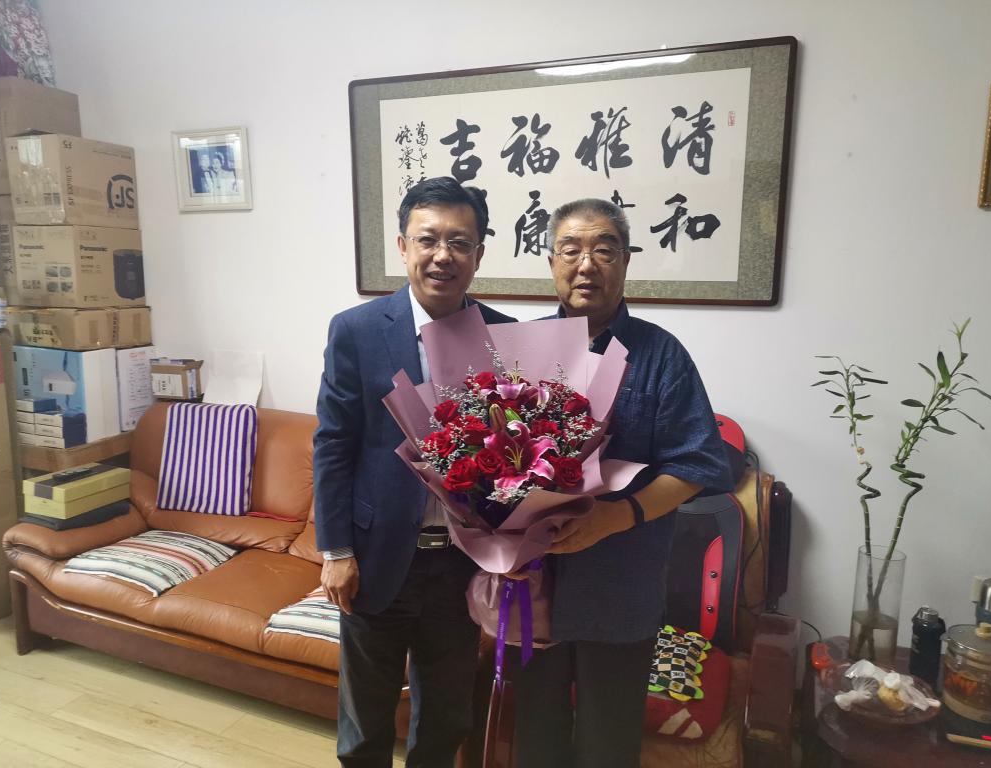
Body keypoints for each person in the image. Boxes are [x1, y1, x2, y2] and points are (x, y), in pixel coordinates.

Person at [508, 198, 734, 767]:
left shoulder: (661, 355)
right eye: (571, 250)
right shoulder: (520, 350)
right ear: (552, 262)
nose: (586, 264)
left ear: (626, 261)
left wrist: (619, 515)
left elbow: (699, 465)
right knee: (533, 736)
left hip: (621, 585)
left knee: (607, 744)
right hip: (533, 584)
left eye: (604, 250)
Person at [314, 176, 515, 767]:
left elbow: (516, 452)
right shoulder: (356, 330)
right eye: (428, 239)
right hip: (375, 557)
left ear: (479, 254)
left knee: (446, 718)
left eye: (460, 242)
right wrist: (336, 550)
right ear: (403, 247)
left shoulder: (504, 335)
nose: (442, 255)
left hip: (460, 564)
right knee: (365, 721)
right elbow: (333, 444)